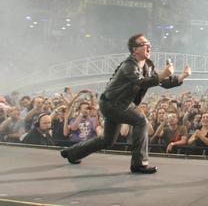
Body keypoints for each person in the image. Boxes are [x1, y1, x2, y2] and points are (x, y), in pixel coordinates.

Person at [60, 34, 191, 174]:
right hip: (112, 104)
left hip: (119, 104)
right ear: (135, 50)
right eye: (144, 44)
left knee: (107, 140)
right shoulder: (128, 65)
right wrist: (162, 74)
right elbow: (141, 82)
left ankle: (72, 153)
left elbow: (162, 82)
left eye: (149, 43)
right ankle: (139, 164)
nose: (149, 46)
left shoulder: (148, 65)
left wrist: (183, 76)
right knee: (140, 120)